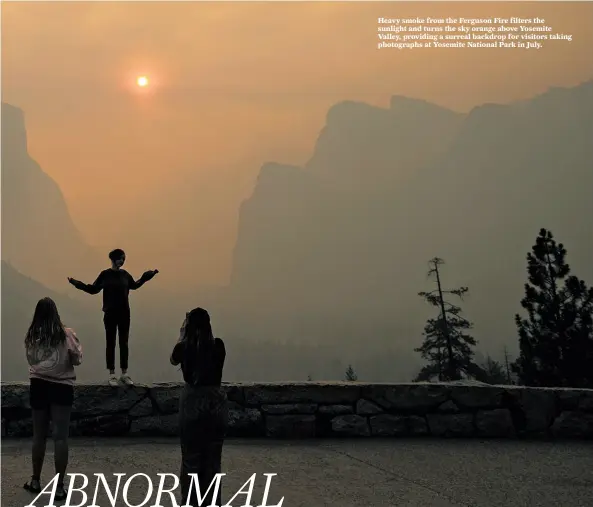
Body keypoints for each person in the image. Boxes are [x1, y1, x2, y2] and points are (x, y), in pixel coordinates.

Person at [67, 248, 158, 386]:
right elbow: (93, 289)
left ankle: (124, 373)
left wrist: (149, 275)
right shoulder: (105, 275)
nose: (122, 261)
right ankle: (112, 374)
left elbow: (135, 285)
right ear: (114, 259)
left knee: (124, 343)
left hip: (124, 313)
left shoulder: (125, 275)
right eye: (121, 258)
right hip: (110, 314)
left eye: (124, 258)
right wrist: (75, 283)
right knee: (111, 343)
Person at [22, 297, 83, 501]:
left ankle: (36, 480)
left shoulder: (32, 336)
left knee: (39, 436)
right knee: (60, 437)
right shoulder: (67, 334)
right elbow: (77, 359)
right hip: (61, 387)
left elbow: (30, 359)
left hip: (38, 385)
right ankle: (59, 487)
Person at [170, 308, 228, 507]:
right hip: (215, 404)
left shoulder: (184, 348)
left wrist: (181, 334)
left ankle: (190, 503)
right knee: (213, 459)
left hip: (191, 404)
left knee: (190, 459)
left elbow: (173, 360)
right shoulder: (218, 346)